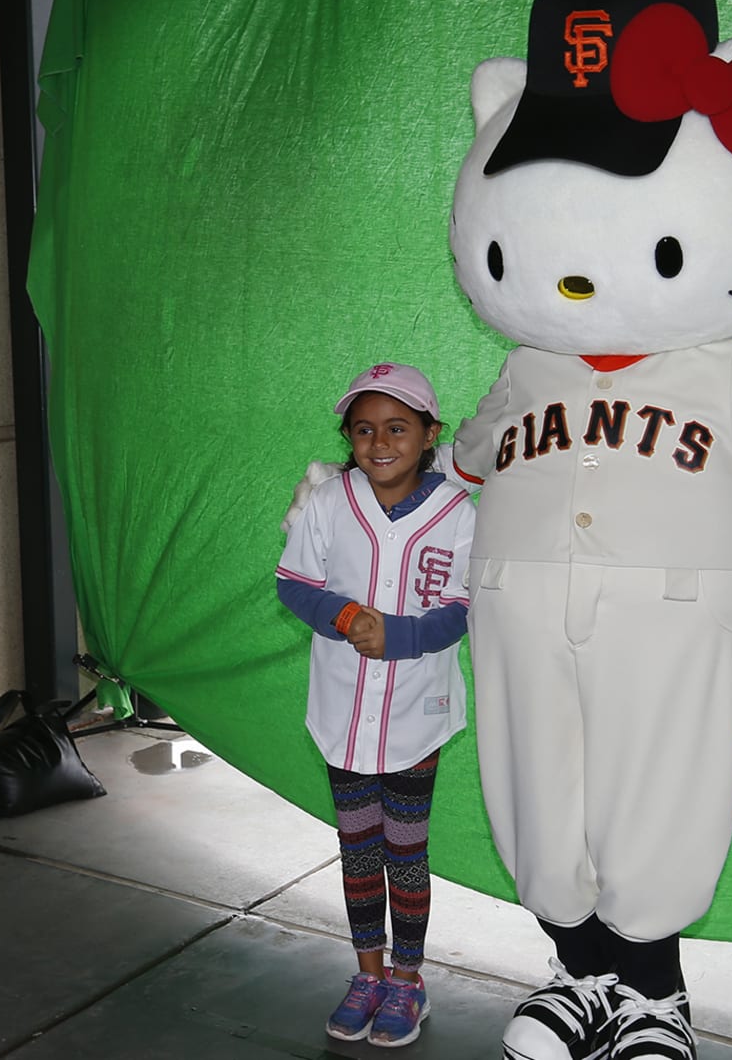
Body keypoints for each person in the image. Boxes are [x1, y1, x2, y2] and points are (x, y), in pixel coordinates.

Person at [276, 363, 475, 1048]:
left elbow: (464, 609)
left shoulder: (458, 509)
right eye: (364, 430)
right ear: (349, 439)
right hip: (342, 713)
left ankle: (408, 980)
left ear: (429, 434)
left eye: (398, 427)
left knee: (406, 851)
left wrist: (401, 633)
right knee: (358, 849)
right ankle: (367, 974)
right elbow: (295, 582)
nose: (379, 443)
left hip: (418, 713)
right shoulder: (333, 501)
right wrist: (346, 615)